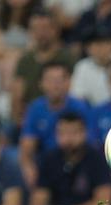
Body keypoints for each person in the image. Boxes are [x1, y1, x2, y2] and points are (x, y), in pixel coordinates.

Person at [18, 111, 111, 205]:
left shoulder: (97, 158)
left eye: (73, 133)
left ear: (84, 133)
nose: (68, 138)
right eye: (62, 133)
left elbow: (104, 202)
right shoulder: (49, 159)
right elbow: (38, 200)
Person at [17, 60, 94, 188]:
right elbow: (27, 147)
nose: (55, 85)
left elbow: (89, 143)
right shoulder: (35, 108)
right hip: (46, 165)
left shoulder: (81, 107)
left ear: (69, 83)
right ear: (41, 84)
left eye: (60, 80)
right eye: (50, 80)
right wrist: (28, 168)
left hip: (78, 162)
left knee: (102, 195)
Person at [70, 26, 111, 106]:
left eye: (105, 43)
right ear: (88, 49)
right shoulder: (82, 67)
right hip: (92, 112)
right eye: (97, 45)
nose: (102, 49)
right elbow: (78, 97)